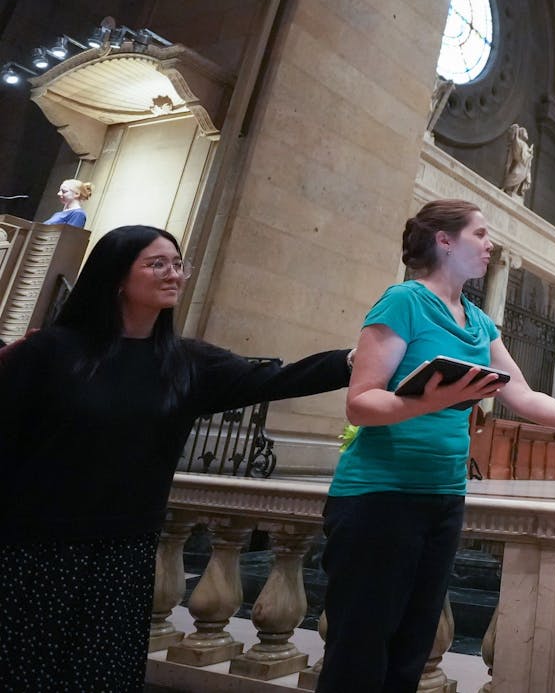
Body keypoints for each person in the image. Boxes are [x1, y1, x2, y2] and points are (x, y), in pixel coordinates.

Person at [0, 225, 353, 692]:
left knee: (99, 674)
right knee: (24, 669)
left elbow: (279, 380)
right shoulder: (50, 351)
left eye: (178, 263)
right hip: (37, 545)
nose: (174, 274)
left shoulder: (185, 363)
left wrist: (356, 359)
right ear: (116, 278)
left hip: (124, 547)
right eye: (156, 263)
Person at [319, 199, 555, 692]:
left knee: (411, 652)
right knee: (358, 653)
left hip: (442, 498)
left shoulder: (479, 322)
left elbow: (523, 396)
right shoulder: (403, 302)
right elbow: (360, 404)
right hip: (378, 497)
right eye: (480, 234)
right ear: (444, 241)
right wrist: (436, 400)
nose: (490, 245)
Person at [501, 124, 533, 200]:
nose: (527, 134)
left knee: (520, 178)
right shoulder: (521, 143)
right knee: (515, 174)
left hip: (525, 167)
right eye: (526, 133)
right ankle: (505, 187)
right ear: (522, 134)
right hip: (520, 165)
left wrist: (530, 152)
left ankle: (514, 192)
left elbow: (526, 154)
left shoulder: (525, 145)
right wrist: (516, 131)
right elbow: (516, 142)